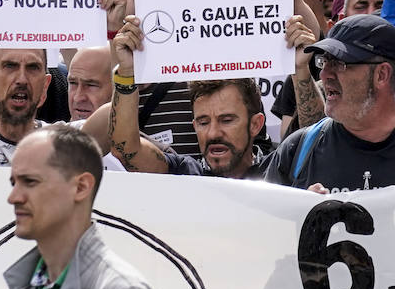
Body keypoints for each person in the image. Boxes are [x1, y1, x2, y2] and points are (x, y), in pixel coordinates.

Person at [4, 124, 162, 289]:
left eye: (30, 182)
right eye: (14, 182)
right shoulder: (29, 285)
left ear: (81, 186)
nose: (14, 197)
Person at [264, 14, 395, 192]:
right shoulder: (296, 152)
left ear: (382, 75)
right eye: (324, 61)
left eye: (339, 63)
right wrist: (298, 216)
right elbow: (264, 235)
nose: (325, 73)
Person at [99, 14, 314, 178]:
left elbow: (320, 142)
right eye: (203, 122)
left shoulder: (279, 170)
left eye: (227, 120)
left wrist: (301, 70)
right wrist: (127, 73)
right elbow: (126, 149)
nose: (213, 133)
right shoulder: (184, 173)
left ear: (256, 124)